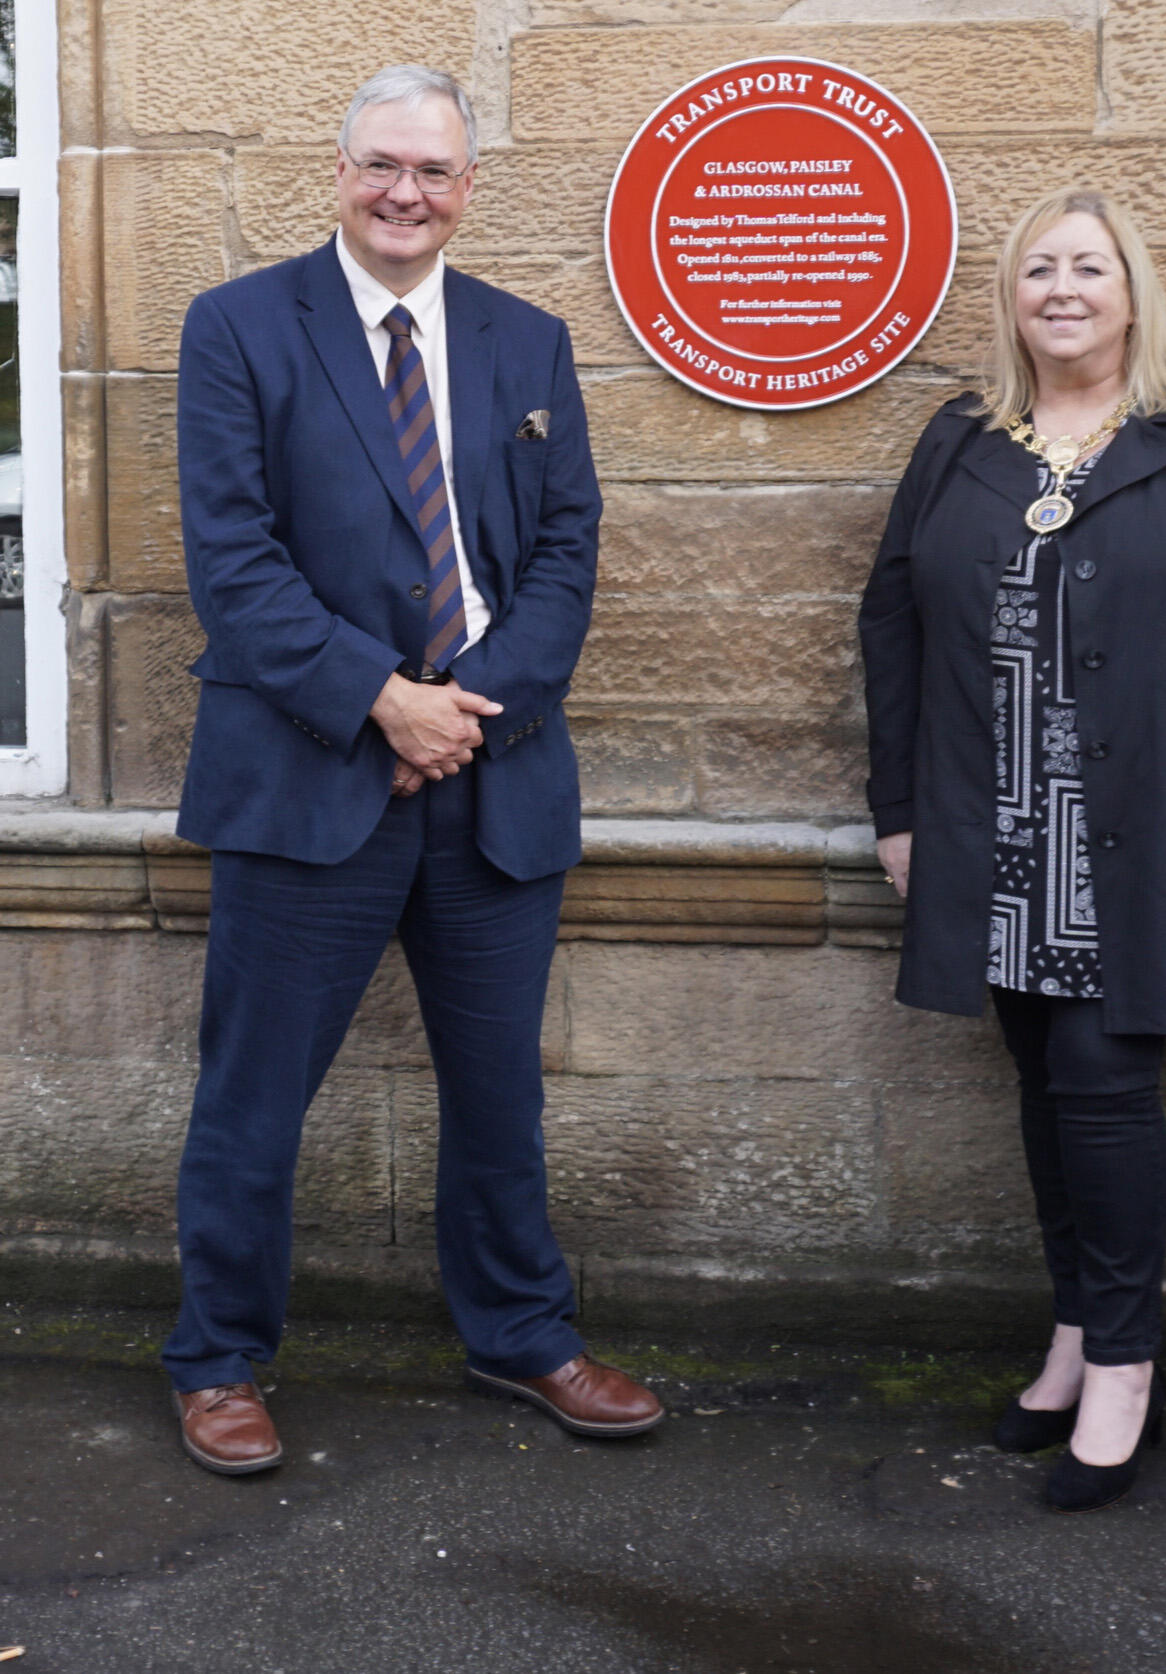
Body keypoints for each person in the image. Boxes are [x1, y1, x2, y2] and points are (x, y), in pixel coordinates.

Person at [163, 65, 661, 1474]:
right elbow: (232, 561)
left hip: (493, 783)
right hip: (304, 778)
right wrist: (382, 703)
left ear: (467, 188)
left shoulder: (528, 341)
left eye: (434, 171)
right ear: (339, 173)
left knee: (501, 1098)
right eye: (382, 165)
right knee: (253, 1099)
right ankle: (217, 1358)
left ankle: (522, 1334)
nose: (405, 193)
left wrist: (462, 719)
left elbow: (565, 551)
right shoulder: (237, 326)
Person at [859, 187, 1166, 1514]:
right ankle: (1072, 1330)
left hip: (1137, 828)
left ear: (1132, 290)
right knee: (1044, 1089)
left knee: (1104, 1091)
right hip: (992, 824)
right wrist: (899, 811)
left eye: (1089, 268)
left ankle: (1123, 1365)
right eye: (1038, 268)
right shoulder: (960, 437)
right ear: (1011, 298)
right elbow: (891, 622)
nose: (1063, 289)